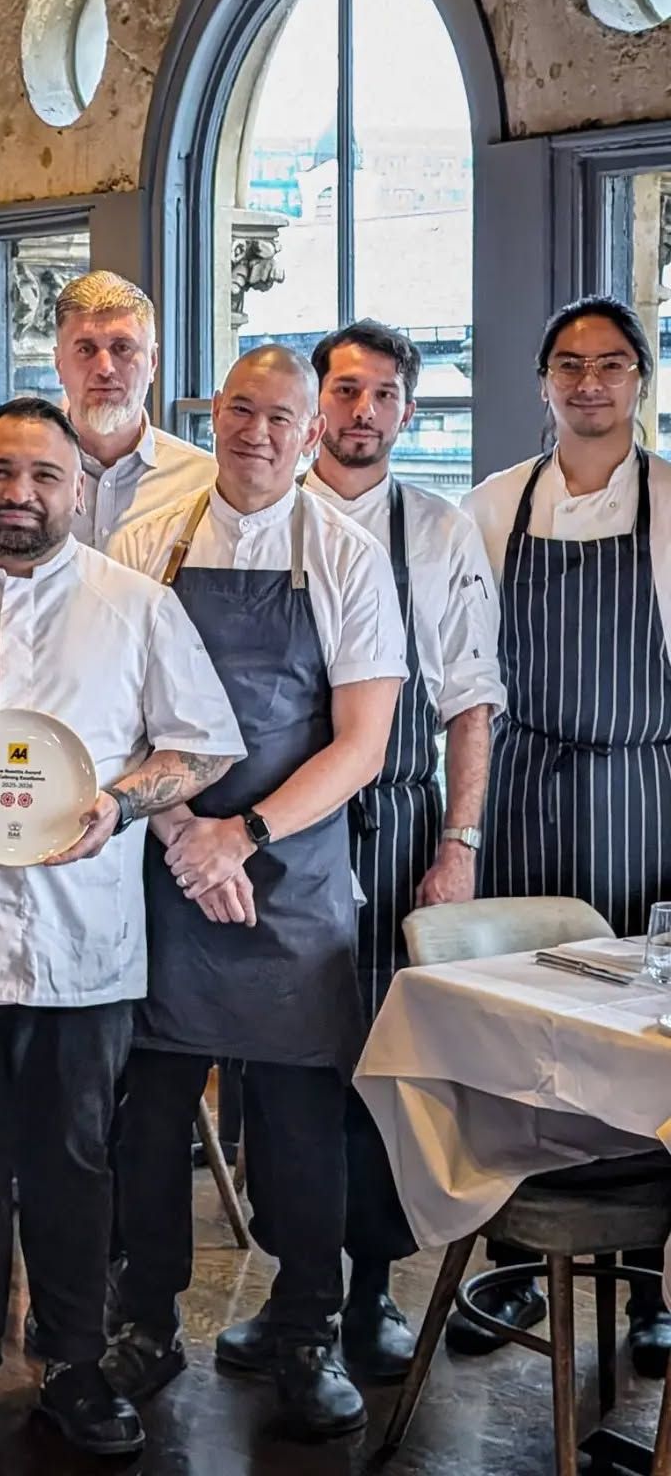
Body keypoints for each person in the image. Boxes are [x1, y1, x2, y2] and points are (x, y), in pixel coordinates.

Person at [0, 395, 245, 1464]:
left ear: (78, 488)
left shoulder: (135, 605)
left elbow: (202, 748)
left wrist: (119, 803)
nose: (17, 495)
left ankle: (77, 1365)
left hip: (84, 943)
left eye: (42, 475)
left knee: (79, 1162)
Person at [105, 346, 406, 1442]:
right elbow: (120, 716)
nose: (261, 434)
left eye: (284, 418)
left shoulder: (344, 553)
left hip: (296, 867)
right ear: (214, 415)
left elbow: (364, 742)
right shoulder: (150, 541)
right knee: (149, 1113)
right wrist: (185, 831)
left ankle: (306, 1324)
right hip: (170, 862)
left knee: (299, 1119)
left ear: (311, 433)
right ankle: (141, 1319)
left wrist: (245, 834)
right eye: (243, 411)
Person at [461, 294, 671, 1371]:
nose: (590, 383)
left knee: (634, 1047)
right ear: (542, 381)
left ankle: (645, 1285)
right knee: (517, 1036)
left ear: (640, 378)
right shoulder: (495, 504)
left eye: (612, 365)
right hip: (522, 791)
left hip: (642, 798)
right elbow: (464, 675)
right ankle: (511, 1263)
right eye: (569, 365)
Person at [302, 321, 503, 1380]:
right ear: (316, 402)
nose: (363, 412)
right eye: (346, 391)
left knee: (378, 1076)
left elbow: (470, 701)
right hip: (282, 833)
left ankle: (369, 1295)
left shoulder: (433, 529)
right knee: (288, 1074)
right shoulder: (266, 518)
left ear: (407, 413)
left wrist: (457, 842)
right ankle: (298, 1302)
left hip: (391, 828)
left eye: (384, 395)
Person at [53, 271, 214, 550]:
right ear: (58, 364)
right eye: (86, 349)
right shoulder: (20, 480)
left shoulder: (206, 484)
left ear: (152, 362)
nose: (105, 368)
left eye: (122, 348)